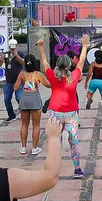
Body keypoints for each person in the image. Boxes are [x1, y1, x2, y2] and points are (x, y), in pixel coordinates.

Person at [36, 35, 89, 178]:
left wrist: (40, 47)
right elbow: (81, 62)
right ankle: (77, 169)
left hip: (55, 113)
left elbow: (45, 63)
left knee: (54, 142)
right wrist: (84, 46)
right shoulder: (74, 76)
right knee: (74, 141)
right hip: (71, 113)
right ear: (68, 65)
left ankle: (53, 170)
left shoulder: (52, 76)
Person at [13, 55, 49, 155]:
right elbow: (48, 85)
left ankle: (23, 147)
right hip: (35, 101)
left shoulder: (22, 74)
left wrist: (22, 82)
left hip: (24, 100)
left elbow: (15, 88)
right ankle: (34, 148)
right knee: (36, 125)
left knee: (24, 125)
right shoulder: (38, 74)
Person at [0, 41, 24, 126]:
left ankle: (24, 113)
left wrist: (17, 56)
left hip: (19, 81)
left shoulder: (20, 53)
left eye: (14, 45)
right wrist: (1, 59)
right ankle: (11, 115)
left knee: (19, 98)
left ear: (16, 45)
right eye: (11, 46)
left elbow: (23, 63)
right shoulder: (6, 54)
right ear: (9, 46)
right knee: (6, 99)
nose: (12, 47)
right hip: (8, 82)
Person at [85, 49, 102, 121]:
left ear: (95, 56)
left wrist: (86, 82)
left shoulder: (93, 64)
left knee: (89, 94)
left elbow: (89, 74)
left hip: (93, 81)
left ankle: (89, 99)